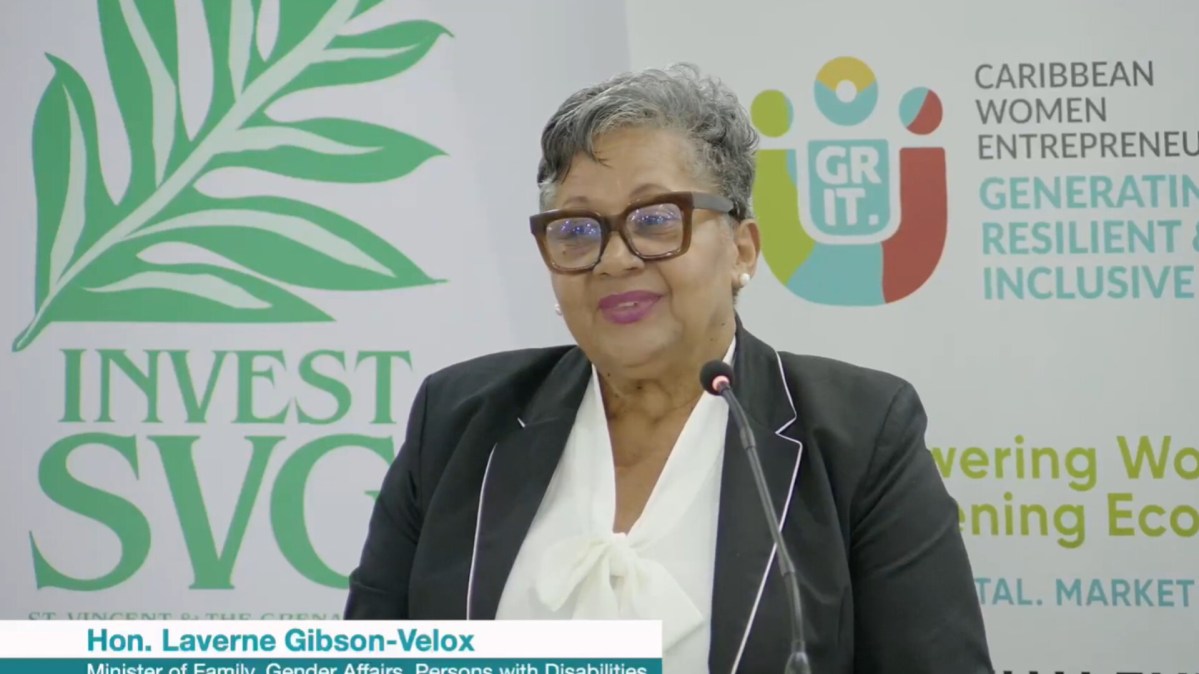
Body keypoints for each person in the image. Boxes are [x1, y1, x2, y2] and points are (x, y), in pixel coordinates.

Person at [344, 63, 992, 674]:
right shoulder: (459, 418)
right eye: (577, 230)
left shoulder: (858, 436)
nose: (614, 259)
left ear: (741, 250)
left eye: (655, 220)